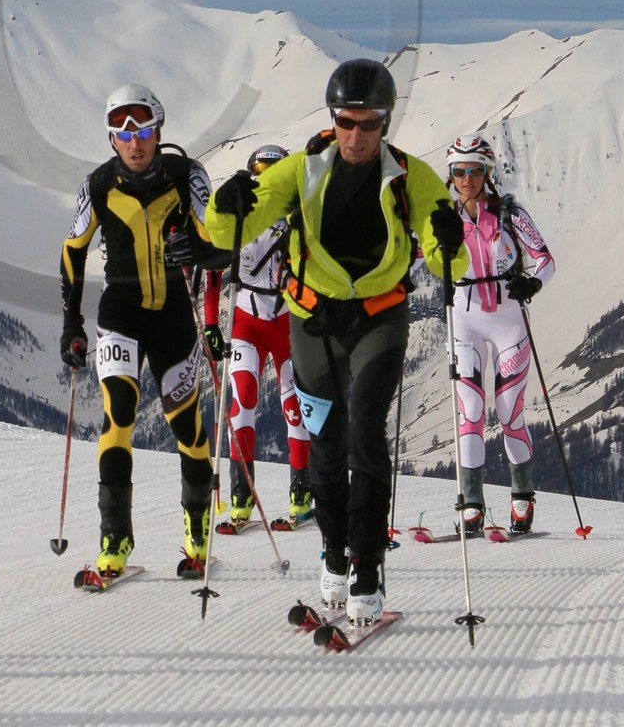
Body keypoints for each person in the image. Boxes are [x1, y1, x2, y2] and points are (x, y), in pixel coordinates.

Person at [205, 59, 470, 627]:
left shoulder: (411, 177)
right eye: (346, 122)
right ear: (333, 118)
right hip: (313, 319)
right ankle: (332, 552)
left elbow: (445, 246)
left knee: (365, 429)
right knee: (325, 440)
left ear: (386, 122)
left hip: (380, 318)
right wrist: (227, 205)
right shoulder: (299, 172)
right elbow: (229, 230)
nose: (356, 135)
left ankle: (367, 568)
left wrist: (448, 238)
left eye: (369, 123)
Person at [60, 83, 217, 577]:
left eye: (144, 129)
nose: (135, 142)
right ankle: (115, 537)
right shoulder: (98, 184)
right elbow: (73, 250)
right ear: (111, 140)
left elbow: (220, 243)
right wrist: (71, 321)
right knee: (118, 415)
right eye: (123, 133)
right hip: (120, 312)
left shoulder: (188, 175)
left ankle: (197, 529)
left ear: (158, 130)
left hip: (173, 316)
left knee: (186, 426)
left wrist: (199, 249)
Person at [445, 134, 555, 537]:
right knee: (471, 413)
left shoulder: (510, 213)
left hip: (509, 320)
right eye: (459, 171)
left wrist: (534, 284)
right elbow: (409, 253)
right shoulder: (443, 215)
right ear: (451, 175)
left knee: (509, 412)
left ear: (487, 172)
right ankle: (471, 505)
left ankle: (522, 498)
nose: (467, 178)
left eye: (475, 170)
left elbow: (545, 259)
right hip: (464, 319)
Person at [202, 144, 312, 528]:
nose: (266, 178)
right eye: (260, 171)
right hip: (246, 320)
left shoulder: (297, 215)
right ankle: (241, 495)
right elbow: (213, 273)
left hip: (286, 321)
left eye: (274, 171)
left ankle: (301, 492)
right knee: (242, 401)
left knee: (294, 408)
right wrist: (212, 324)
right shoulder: (240, 216)